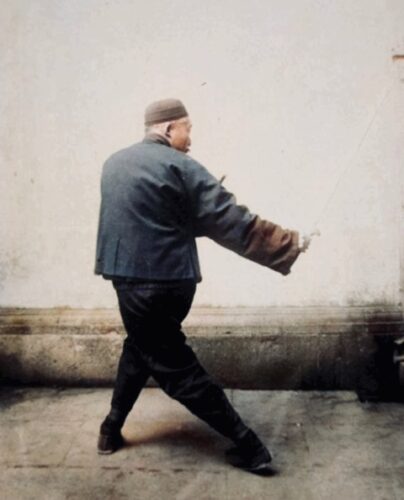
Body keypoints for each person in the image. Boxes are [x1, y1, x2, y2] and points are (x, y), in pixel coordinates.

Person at [94, 98, 315, 475]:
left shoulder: (113, 163)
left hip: (128, 284)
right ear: (168, 129)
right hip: (169, 284)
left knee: (152, 347)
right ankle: (248, 445)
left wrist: (188, 207)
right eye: (188, 128)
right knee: (160, 357)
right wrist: (290, 243)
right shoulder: (182, 166)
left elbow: (146, 219)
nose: (191, 138)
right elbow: (230, 220)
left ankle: (113, 429)